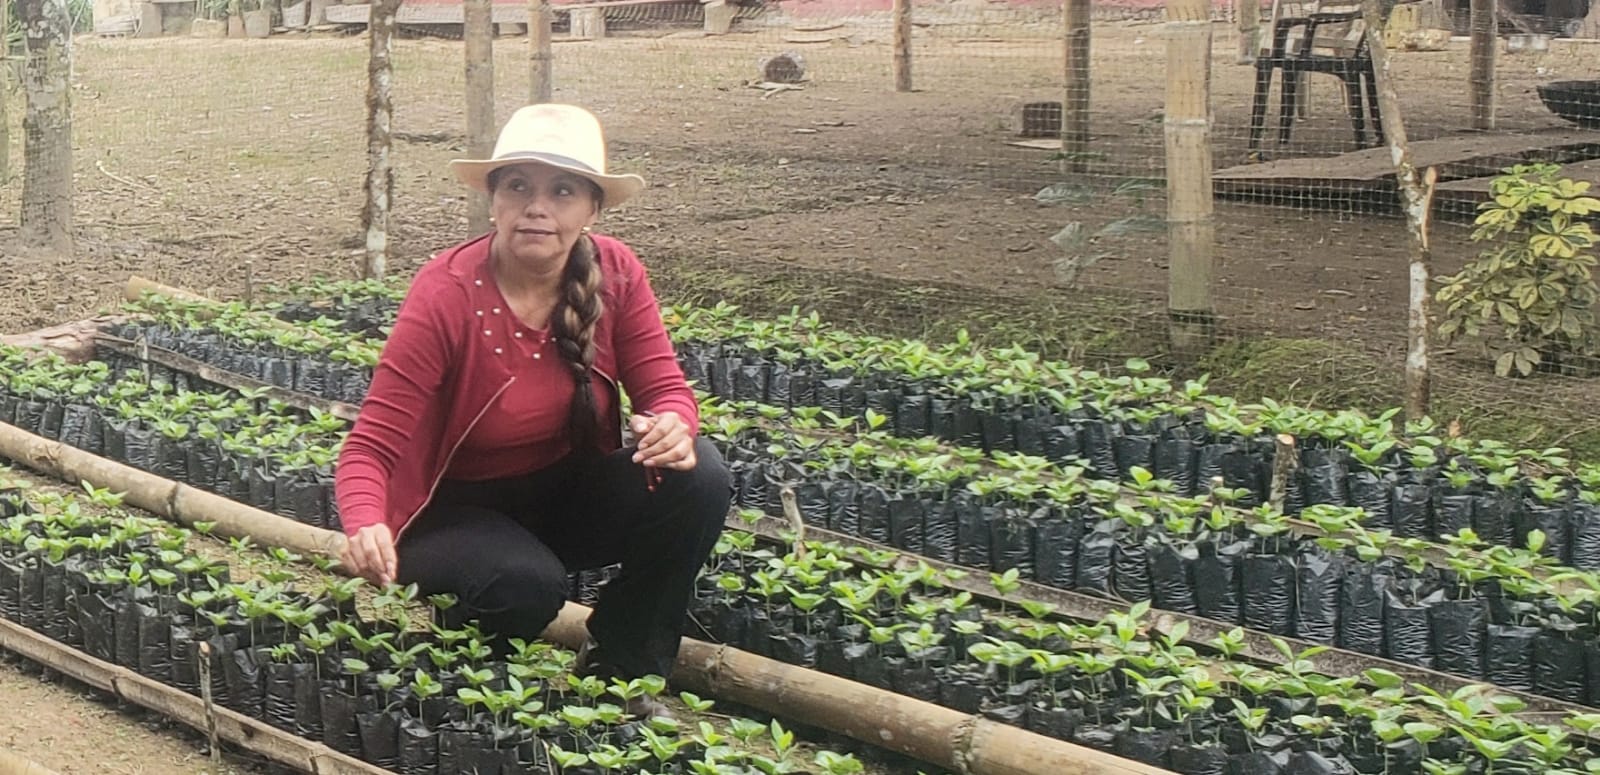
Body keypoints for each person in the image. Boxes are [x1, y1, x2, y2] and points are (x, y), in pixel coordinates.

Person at [334, 104, 730, 719]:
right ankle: (464, 677)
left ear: (593, 209)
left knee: (699, 474)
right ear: (493, 201)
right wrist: (365, 523)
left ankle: (621, 669)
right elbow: (370, 446)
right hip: (452, 514)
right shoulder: (447, 294)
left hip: (562, 498)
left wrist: (675, 426)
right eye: (518, 186)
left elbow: (666, 391)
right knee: (523, 586)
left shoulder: (617, 275)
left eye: (562, 191)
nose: (536, 207)